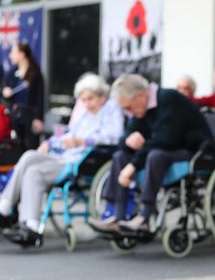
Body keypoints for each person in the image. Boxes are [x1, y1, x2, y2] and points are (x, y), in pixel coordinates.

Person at [0, 73, 124, 245]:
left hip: (83, 161)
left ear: (102, 96)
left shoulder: (111, 109)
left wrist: (83, 141)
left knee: (31, 164)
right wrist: (50, 143)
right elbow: (69, 133)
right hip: (65, 157)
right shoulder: (86, 115)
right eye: (84, 100)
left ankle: (5, 204)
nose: (87, 104)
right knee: (32, 166)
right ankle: (31, 226)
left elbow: (115, 136)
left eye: (91, 99)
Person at [88, 74, 212, 234]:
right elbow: (124, 141)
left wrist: (132, 167)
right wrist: (127, 141)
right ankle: (116, 216)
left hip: (192, 150)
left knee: (155, 155)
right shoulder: (140, 108)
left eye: (128, 108)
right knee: (120, 157)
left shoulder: (169, 99)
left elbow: (166, 140)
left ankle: (144, 218)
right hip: (165, 150)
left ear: (141, 96)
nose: (128, 112)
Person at [2, 43, 44, 149]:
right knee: (17, 147)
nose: (11, 55)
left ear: (22, 54)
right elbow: (5, 90)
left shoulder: (35, 72)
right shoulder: (12, 72)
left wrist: (38, 118)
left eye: (13, 52)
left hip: (30, 117)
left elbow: (40, 98)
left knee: (31, 146)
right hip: (16, 117)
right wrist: (5, 92)